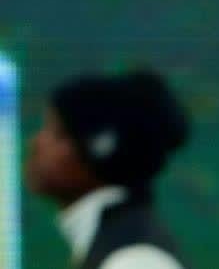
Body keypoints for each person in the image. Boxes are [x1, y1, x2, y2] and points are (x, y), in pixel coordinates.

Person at [26, 70, 190, 269]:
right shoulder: (117, 243)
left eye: (56, 133)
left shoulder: (134, 259)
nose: (36, 143)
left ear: (100, 148)